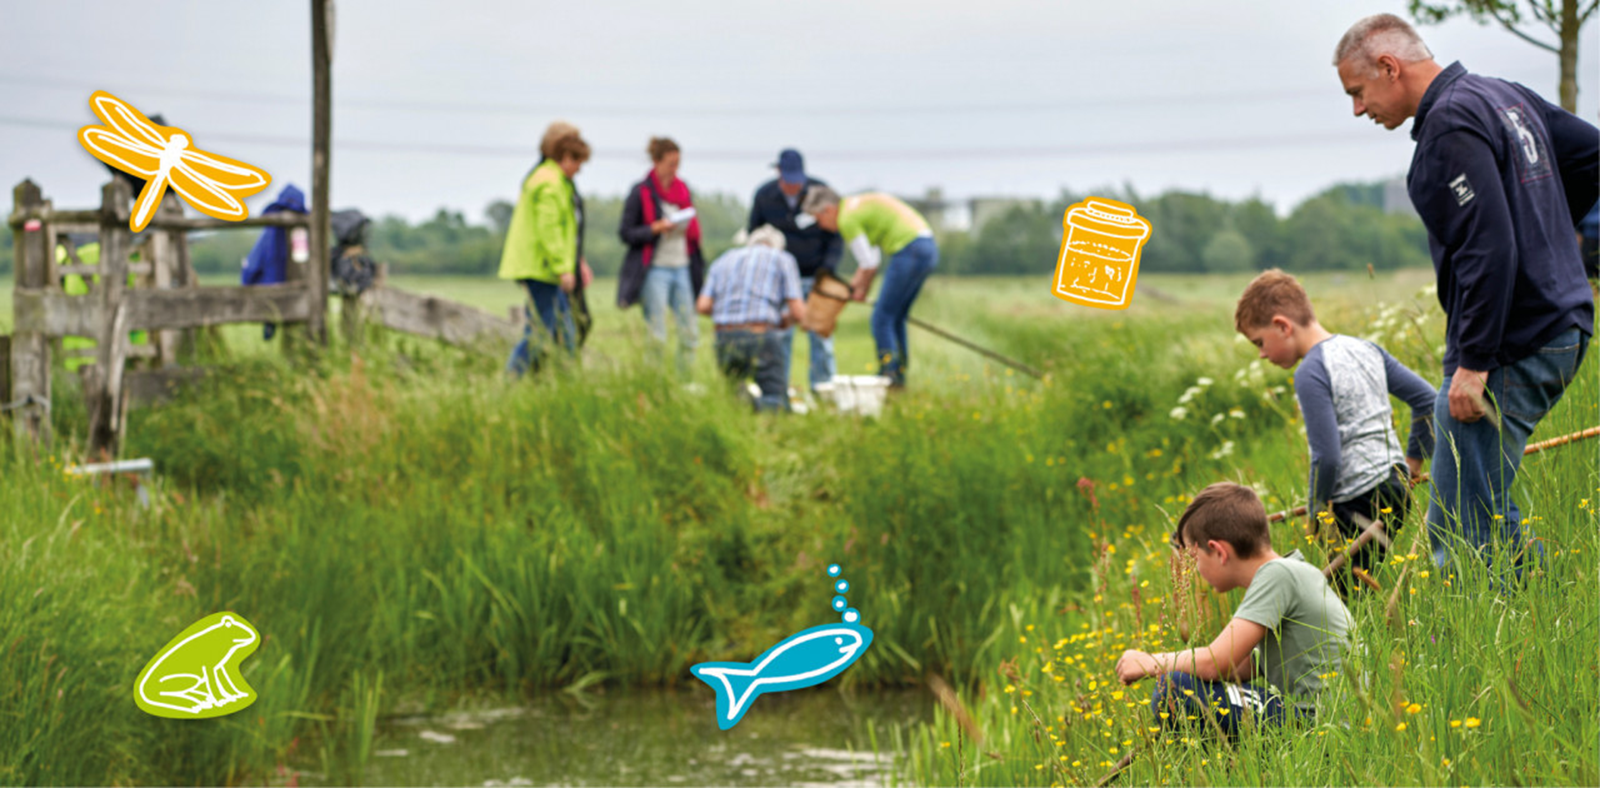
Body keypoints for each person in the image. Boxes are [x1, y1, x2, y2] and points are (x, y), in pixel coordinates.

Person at [1333, 14, 1598, 572]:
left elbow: (1488, 248)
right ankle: (1542, 611)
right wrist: (1556, 245)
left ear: (1389, 67)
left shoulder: (1450, 125)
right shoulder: (1502, 95)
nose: (1358, 109)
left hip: (1512, 340)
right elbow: (1592, 157)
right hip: (1560, 322)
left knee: (1461, 529)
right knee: (1481, 510)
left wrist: (1473, 363)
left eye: (1357, 92)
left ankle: (1519, 633)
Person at [1235, 269, 1437, 596]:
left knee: (1340, 603)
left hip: (1357, 499)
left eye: (1260, 342)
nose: (1261, 353)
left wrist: (1316, 512)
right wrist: (1411, 463)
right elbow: (1427, 400)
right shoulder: (1367, 349)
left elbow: (1327, 457)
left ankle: (1356, 647)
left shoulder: (1310, 371)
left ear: (1282, 326)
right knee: (1359, 589)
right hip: (1396, 490)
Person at [1114, 482, 1352, 738]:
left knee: (1175, 688)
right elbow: (1239, 668)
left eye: (1195, 560)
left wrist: (1149, 661)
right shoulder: (1295, 570)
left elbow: (1216, 663)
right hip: (1325, 720)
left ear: (1218, 551)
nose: (1196, 571)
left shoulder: (1278, 576)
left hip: (1318, 726)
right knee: (1187, 682)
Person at [800, 187, 937, 388]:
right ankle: (899, 373)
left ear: (828, 210)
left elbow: (869, 264)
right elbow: (872, 258)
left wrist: (861, 290)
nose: (821, 225)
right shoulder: (856, 207)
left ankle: (889, 374)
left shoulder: (847, 219)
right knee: (896, 317)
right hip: (926, 246)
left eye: (818, 218)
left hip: (909, 250)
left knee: (881, 317)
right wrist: (857, 286)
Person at [498, 123, 594, 378]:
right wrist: (563, 268)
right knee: (540, 333)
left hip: (545, 267)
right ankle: (511, 381)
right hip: (541, 268)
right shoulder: (550, 183)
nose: (579, 169)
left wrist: (575, 261)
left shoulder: (552, 179)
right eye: (577, 162)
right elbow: (549, 230)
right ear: (563, 155)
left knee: (566, 331)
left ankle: (567, 385)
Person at [748, 149, 844, 391]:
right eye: (788, 180)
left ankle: (824, 389)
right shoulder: (764, 195)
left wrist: (827, 270)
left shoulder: (820, 192)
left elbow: (836, 235)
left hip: (816, 276)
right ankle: (780, 390)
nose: (793, 186)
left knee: (821, 337)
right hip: (779, 281)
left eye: (797, 180)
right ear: (778, 173)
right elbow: (754, 235)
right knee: (780, 336)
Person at [618, 137, 706, 376]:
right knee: (657, 334)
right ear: (657, 162)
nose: (675, 169)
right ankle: (654, 381)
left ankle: (685, 381)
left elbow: (694, 233)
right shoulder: (641, 192)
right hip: (655, 269)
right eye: (670, 163)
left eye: (678, 163)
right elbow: (625, 232)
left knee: (689, 331)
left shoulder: (683, 190)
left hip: (682, 266)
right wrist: (653, 229)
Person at [695, 225, 805, 412]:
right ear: (777, 246)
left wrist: (732, 316)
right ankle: (765, 422)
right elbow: (798, 311)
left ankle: (742, 413)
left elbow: (702, 306)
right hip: (760, 333)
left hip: (725, 336)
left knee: (733, 394)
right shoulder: (782, 259)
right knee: (774, 397)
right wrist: (788, 320)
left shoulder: (723, 260)